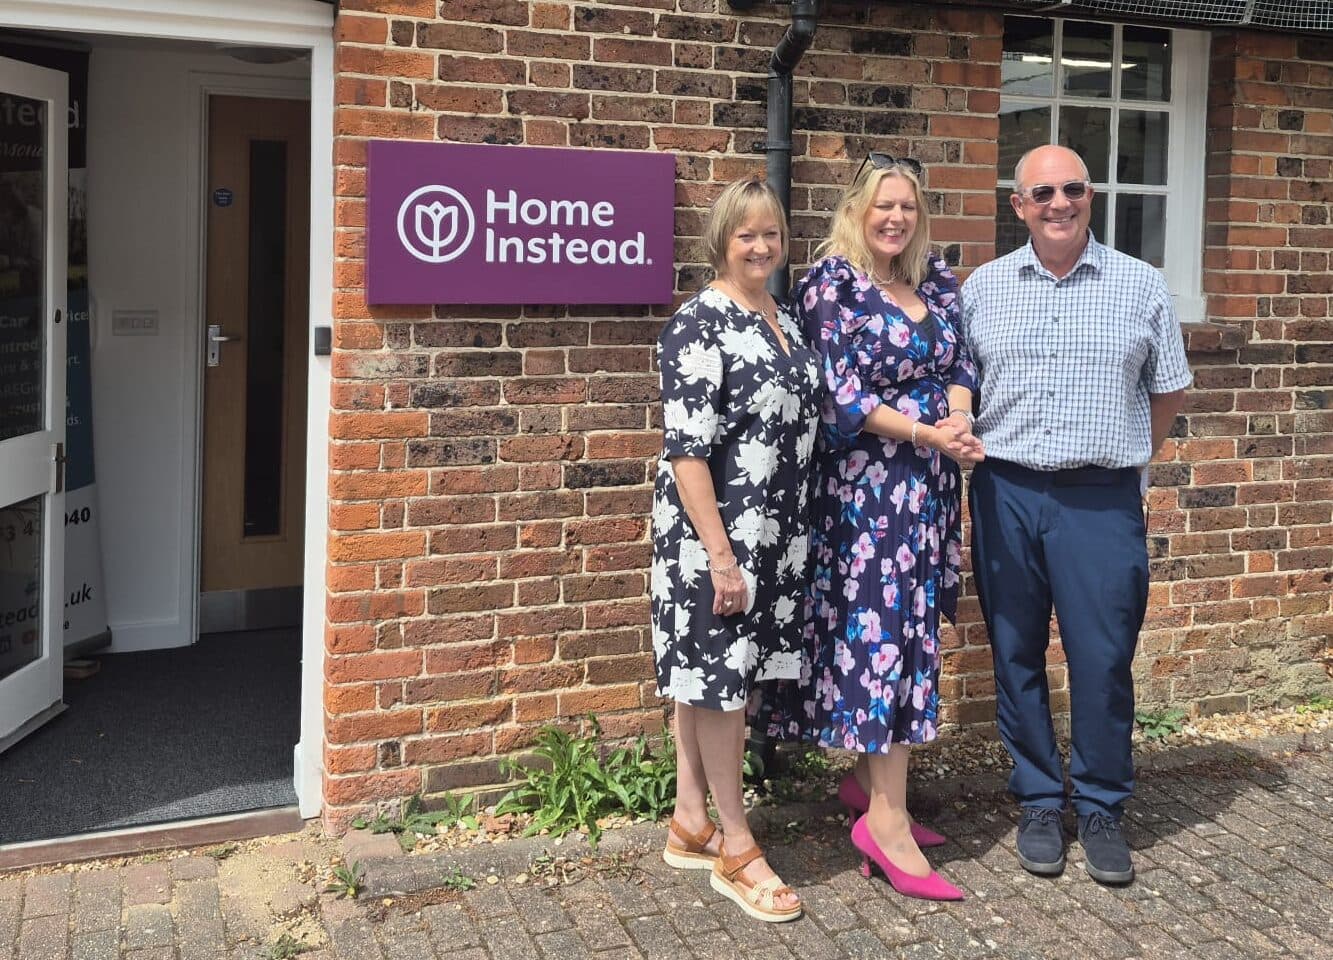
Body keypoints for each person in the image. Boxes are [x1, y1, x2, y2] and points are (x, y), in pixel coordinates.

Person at [961, 144, 1191, 886]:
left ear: (1088, 196)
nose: (1059, 203)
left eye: (1072, 190)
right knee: (1015, 651)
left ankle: (1098, 806)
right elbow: (959, 389)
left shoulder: (1139, 284)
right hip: (1006, 491)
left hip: (1099, 498)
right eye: (1042, 193)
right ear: (1017, 205)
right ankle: (1035, 798)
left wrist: (1120, 456)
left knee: (1100, 659)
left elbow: (1167, 391)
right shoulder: (982, 289)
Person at [790, 153, 982, 902]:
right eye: (882, 206)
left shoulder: (932, 280)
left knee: (909, 632)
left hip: (929, 490)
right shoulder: (829, 285)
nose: (895, 218)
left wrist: (958, 416)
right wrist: (927, 433)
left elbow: (961, 359)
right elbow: (840, 396)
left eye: (905, 206)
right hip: (868, 495)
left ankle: (866, 786)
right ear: (856, 210)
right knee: (883, 639)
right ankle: (887, 821)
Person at [651, 176, 822, 923]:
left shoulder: (780, 318)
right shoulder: (701, 323)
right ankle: (736, 845)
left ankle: (689, 819)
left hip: (772, 533)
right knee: (720, 682)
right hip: (714, 537)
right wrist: (720, 556)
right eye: (745, 234)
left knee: (709, 676)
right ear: (720, 241)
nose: (760, 245)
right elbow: (687, 452)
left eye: (771, 234)